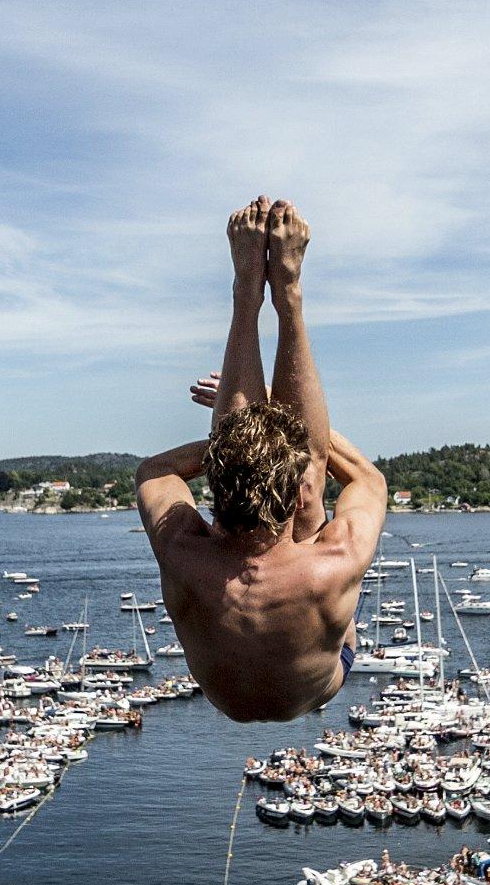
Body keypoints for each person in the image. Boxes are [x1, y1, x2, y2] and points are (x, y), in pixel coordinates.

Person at [136, 200, 387, 723]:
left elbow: (153, 472)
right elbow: (364, 476)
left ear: (214, 480)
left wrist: (247, 433)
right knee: (312, 484)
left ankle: (245, 293)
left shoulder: (180, 549)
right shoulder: (335, 560)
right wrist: (277, 422)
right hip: (319, 682)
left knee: (288, 462)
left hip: (224, 694)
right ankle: (286, 293)